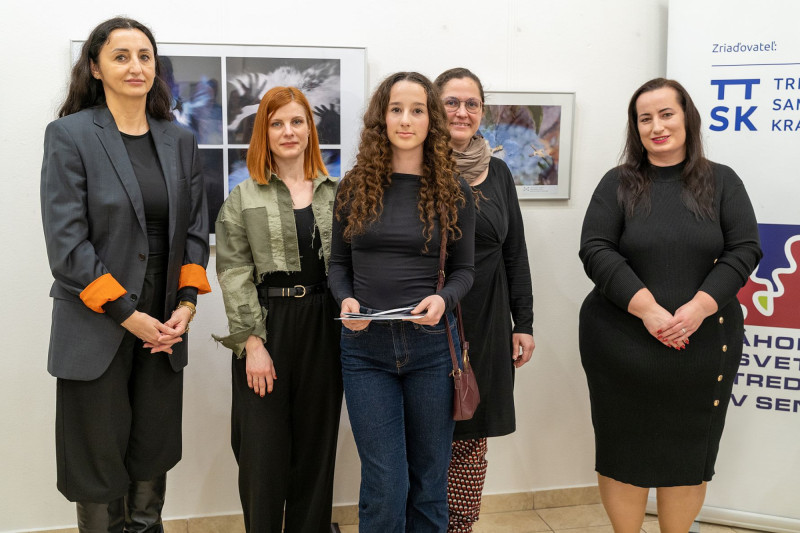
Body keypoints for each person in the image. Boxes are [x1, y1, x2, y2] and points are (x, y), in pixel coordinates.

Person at [40, 17, 210, 532]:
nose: (135, 66)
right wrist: (127, 315)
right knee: (96, 464)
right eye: (121, 56)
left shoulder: (180, 139)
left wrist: (186, 305)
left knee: (151, 451)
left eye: (144, 56)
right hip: (96, 322)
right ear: (95, 67)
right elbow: (67, 245)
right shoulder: (70, 135)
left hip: (163, 323)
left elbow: (195, 231)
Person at [578, 78, 762, 533]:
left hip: (703, 343)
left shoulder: (723, 181)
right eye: (645, 119)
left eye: (666, 114)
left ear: (687, 118)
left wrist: (699, 308)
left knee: (688, 451)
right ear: (635, 128)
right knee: (623, 450)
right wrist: (648, 310)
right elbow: (596, 249)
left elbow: (744, 249)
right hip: (621, 343)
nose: (656, 126)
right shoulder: (617, 183)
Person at [328, 72, 475, 532]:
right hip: (364, 351)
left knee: (429, 482)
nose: (406, 120)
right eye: (396, 110)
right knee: (385, 484)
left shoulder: (454, 191)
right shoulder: (353, 188)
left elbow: (466, 271)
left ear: (432, 120)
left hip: (432, 350)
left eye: (417, 110)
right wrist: (346, 301)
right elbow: (338, 265)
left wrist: (443, 299)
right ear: (382, 118)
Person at [213, 86, 342, 532]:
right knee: (261, 455)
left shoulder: (337, 194)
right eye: (277, 123)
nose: (288, 131)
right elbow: (233, 273)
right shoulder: (242, 197)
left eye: (297, 121)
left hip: (325, 328)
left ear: (310, 129)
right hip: (266, 329)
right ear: (264, 133)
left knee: (316, 452)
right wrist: (252, 344)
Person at [433, 68, 535, 532]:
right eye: (451, 102)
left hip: (488, 323)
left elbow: (515, 252)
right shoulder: (416, 169)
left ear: (482, 112)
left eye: (471, 103)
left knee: (472, 439)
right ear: (434, 108)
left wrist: (523, 323)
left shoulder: (499, 173)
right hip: (431, 323)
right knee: (426, 435)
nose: (462, 112)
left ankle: (460, 526)